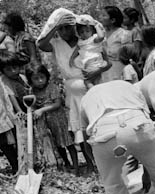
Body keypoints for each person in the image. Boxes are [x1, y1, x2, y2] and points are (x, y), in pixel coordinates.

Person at [37, 8, 107, 173]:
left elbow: (104, 61)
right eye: (61, 29)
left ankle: (104, 160)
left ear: (75, 27)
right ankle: (91, 164)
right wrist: (56, 26)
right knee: (80, 131)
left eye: (67, 27)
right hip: (73, 92)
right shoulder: (56, 44)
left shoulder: (87, 39)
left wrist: (97, 71)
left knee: (98, 125)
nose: (64, 32)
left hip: (92, 85)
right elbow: (40, 44)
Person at [26, 64, 78, 173]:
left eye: (42, 77)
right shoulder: (32, 91)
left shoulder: (52, 87)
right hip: (46, 122)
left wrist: (41, 110)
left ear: (46, 76)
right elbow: (32, 105)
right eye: (36, 78)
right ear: (30, 80)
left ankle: (76, 166)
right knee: (57, 144)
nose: (40, 81)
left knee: (67, 142)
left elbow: (57, 104)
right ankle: (66, 164)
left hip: (58, 120)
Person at [69, 15, 108, 89]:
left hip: (95, 63)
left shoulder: (93, 39)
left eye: (87, 31)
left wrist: (97, 26)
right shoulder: (81, 42)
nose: (84, 33)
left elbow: (101, 36)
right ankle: (95, 91)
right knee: (91, 81)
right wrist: (72, 58)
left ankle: (94, 92)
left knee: (90, 81)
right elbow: (77, 50)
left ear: (92, 31)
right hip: (87, 65)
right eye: (82, 32)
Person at [100, 6, 132, 82]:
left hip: (118, 72)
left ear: (112, 20)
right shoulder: (101, 35)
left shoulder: (124, 34)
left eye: (104, 15)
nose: (101, 17)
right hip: (104, 73)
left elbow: (126, 56)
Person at [0, 61, 18, 173]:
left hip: (4, 112)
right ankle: (15, 165)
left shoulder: (2, 79)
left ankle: (19, 165)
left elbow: (8, 95)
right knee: (2, 142)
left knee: (10, 139)